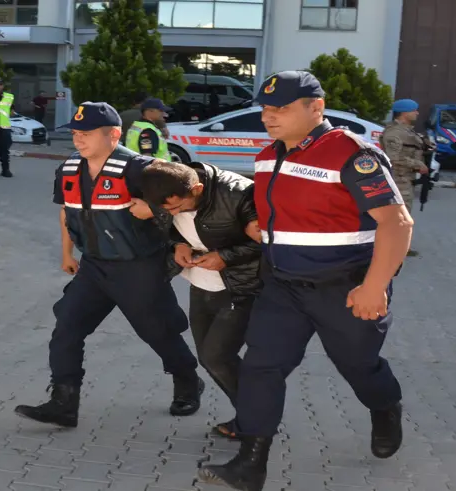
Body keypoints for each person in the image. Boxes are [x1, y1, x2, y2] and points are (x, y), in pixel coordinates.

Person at [198, 71, 409, 491]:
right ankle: (249, 465)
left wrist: (374, 286)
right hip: (283, 287)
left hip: (345, 288)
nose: (269, 117)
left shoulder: (350, 153)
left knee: (358, 366)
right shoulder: (267, 156)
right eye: (265, 109)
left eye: (281, 108)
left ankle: (385, 407)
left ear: (317, 107)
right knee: (261, 367)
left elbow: (397, 223)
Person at [13, 102, 204, 428]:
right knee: (67, 327)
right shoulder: (69, 169)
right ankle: (63, 403)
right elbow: (66, 212)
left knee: (157, 331)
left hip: (139, 267)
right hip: (94, 267)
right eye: (75, 133)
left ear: (113, 135)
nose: (78, 139)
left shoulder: (142, 170)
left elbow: (185, 202)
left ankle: (187, 379)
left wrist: (159, 216)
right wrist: (66, 254)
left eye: (86, 133)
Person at [138, 159, 262, 440]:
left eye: (178, 207)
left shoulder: (239, 193)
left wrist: (225, 256)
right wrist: (177, 244)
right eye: (167, 209)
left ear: (197, 189)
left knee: (216, 356)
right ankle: (252, 417)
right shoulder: (166, 190)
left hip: (241, 286)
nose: (173, 213)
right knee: (210, 358)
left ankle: (257, 421)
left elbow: (270, 240)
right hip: (200, 283)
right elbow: (167, 226)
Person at [380, 98, 429, 255]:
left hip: (406, 178)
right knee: (399, 215)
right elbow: (393, 158)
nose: (417, 113)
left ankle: (399, 246)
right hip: (398, 179)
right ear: (404, 113)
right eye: (414, 110)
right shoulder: (394, 133)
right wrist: (417, 164)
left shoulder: (407, 131)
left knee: (402, 214)